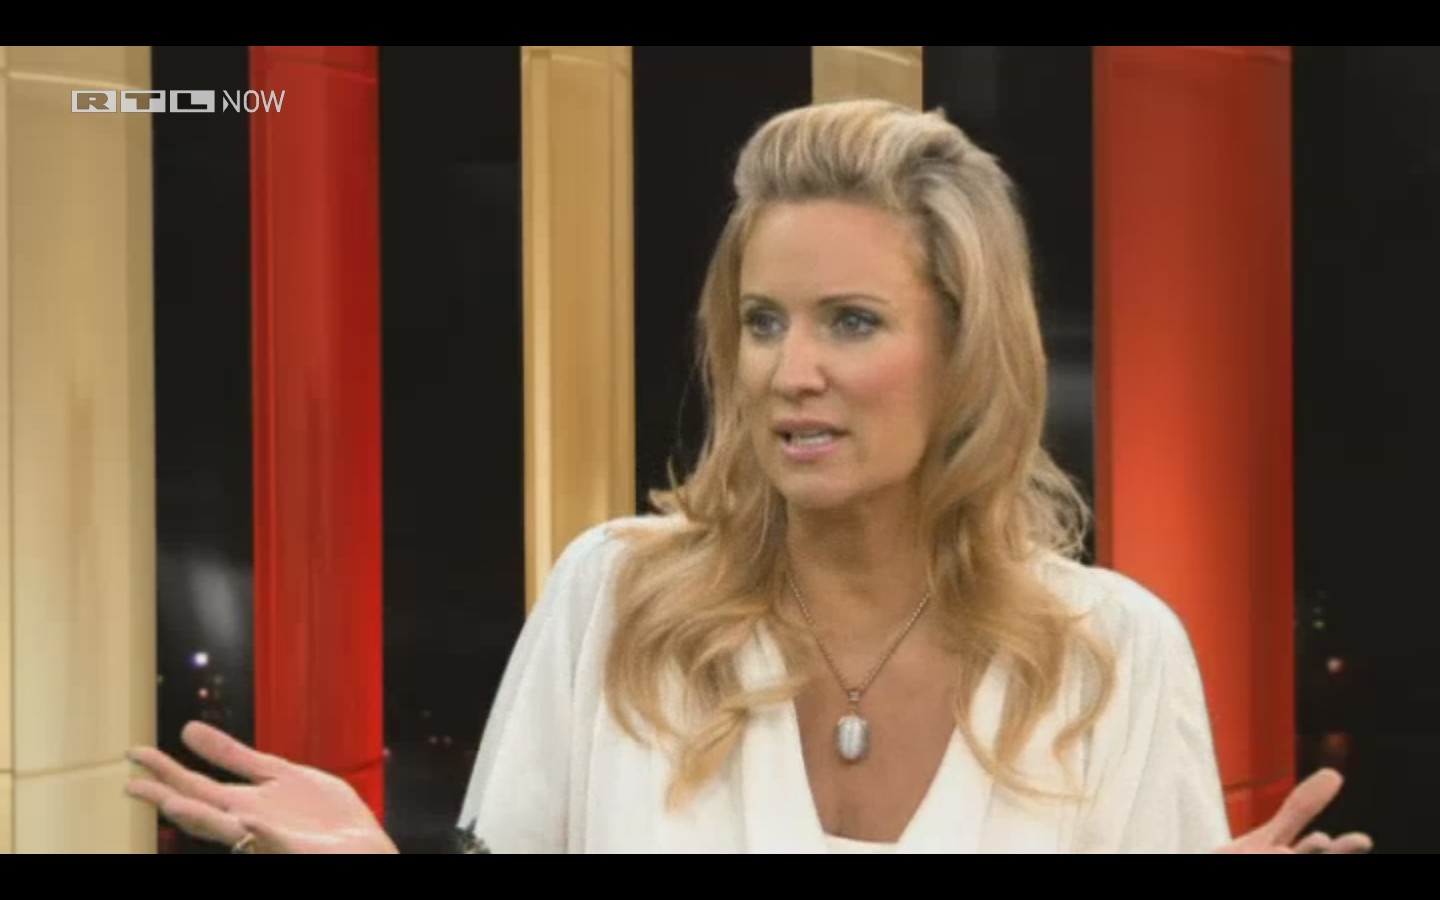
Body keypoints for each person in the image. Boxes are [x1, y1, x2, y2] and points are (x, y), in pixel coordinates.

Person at [125, 99, 1372, 854]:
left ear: (966, 350)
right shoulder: (618, 599)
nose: (790, 372)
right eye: (763, 321)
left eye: (852, 322)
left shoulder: (1109, 653)